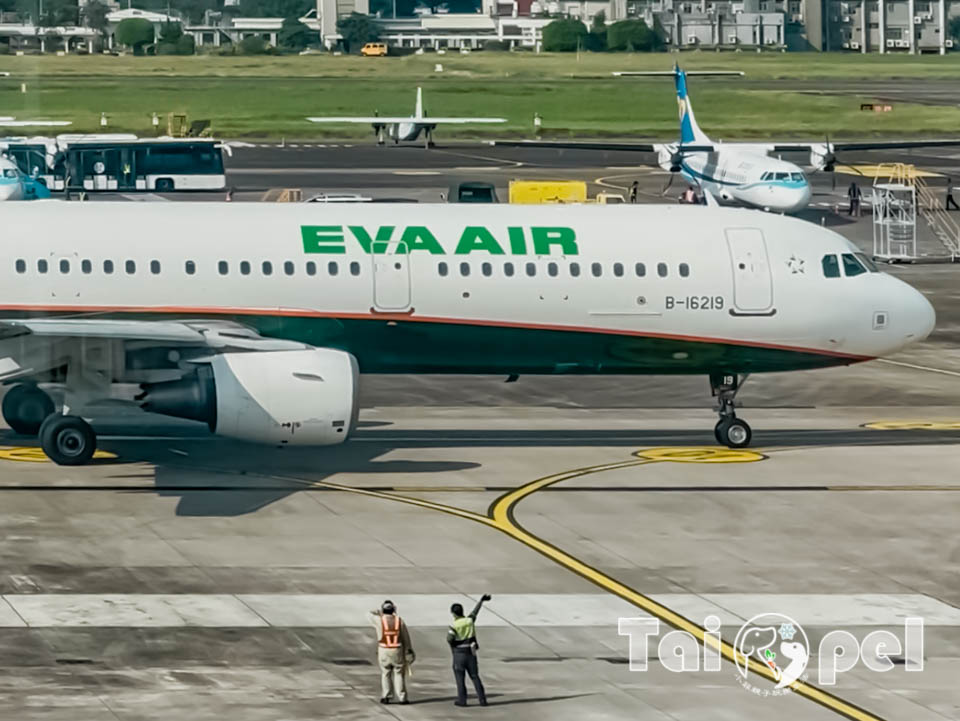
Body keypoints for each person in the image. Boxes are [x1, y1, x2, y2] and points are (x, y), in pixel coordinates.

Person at [447, 594, 491, 707]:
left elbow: (449, 639)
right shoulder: (469, 621)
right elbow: (475, 612)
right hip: (471, 652)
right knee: (475, 676)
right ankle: (482, 700)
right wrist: (481, 601)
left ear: (453, 613)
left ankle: (462, 700)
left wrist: (454, 646)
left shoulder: (454, 625)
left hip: (459, 654)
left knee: (460, 678)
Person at [369, 600, 415, 705]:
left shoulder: (379, 620)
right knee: (399, 674)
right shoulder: (399, 621)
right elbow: (405, 638)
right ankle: (402, 697)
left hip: (384, 650)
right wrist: (409, 650)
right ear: (393, 609)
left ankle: (386, 696)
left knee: (385, 673)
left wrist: (378, 611)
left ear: (383, 610)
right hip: (397, 650)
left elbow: (368, 614)